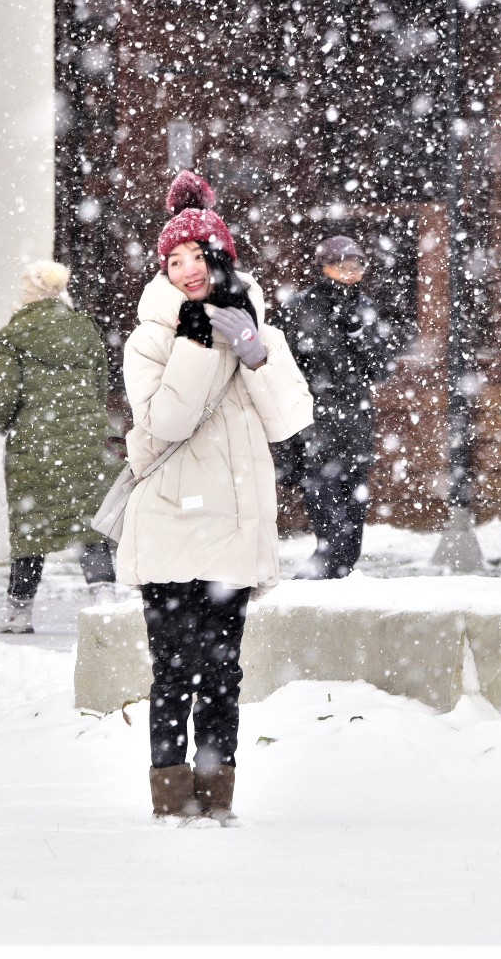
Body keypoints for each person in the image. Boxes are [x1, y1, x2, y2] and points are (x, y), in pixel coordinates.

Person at [114, 171, 313, 826]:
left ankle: (216, 796)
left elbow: (287, 419)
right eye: (174, 261)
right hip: (170, 529)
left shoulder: (251, 323)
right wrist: (199, 337)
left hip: (232, 531)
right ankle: (172, 801)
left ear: (221, 256)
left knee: (223, 675)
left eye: (199, 256)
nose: (188, 270)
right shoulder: (150, 338)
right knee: (174, 672)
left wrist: (254, 348)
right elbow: (165, 422)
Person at [0, 259, 123, 633]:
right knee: (88, 523)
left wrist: (14, 426)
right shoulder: (85, 330)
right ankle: (104, 600)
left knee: (31, 529)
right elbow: (99, 388)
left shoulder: (13, 338)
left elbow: (3, 403)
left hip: (34, 449)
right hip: (85, 442)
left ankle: (18, 613)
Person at [274, 235, 403, 580]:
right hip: (314, 418)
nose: (350, 272)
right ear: (324, 267)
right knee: (323, 496)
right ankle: (326, 564)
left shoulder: (366, 308)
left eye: (357, 265)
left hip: (356, 418)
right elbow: (285, 365)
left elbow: (382, 368)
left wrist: (361, 335)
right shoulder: (301, 307)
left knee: (354, 499)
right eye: (342, 265)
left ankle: (340, 568)